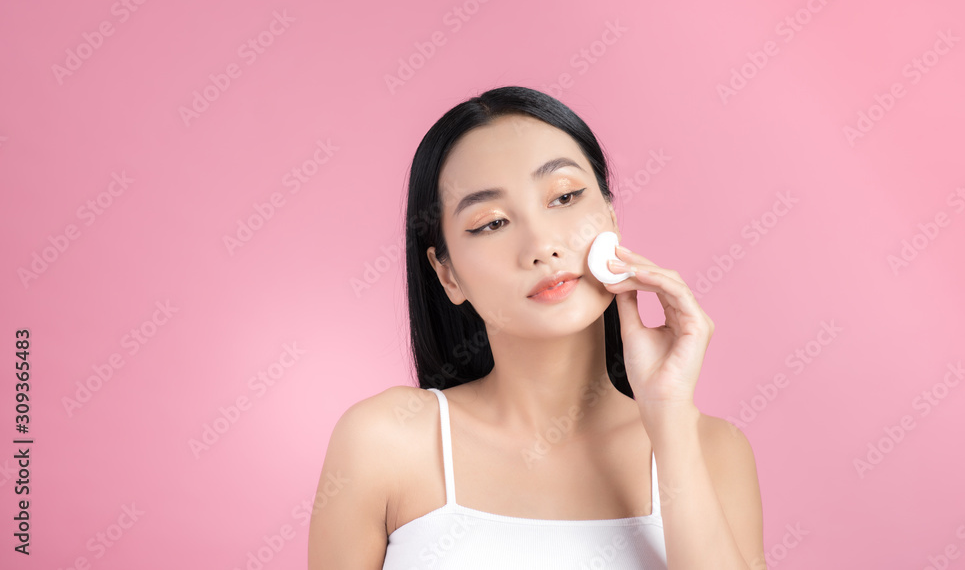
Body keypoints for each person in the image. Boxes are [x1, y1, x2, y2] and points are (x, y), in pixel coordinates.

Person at [308, 86, 765, 569]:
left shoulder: (713, 450)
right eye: (491, 223)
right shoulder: (385, 441)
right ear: (447, 274)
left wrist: (669, 415)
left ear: (610, 215)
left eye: (565, 196)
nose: (542, 244)